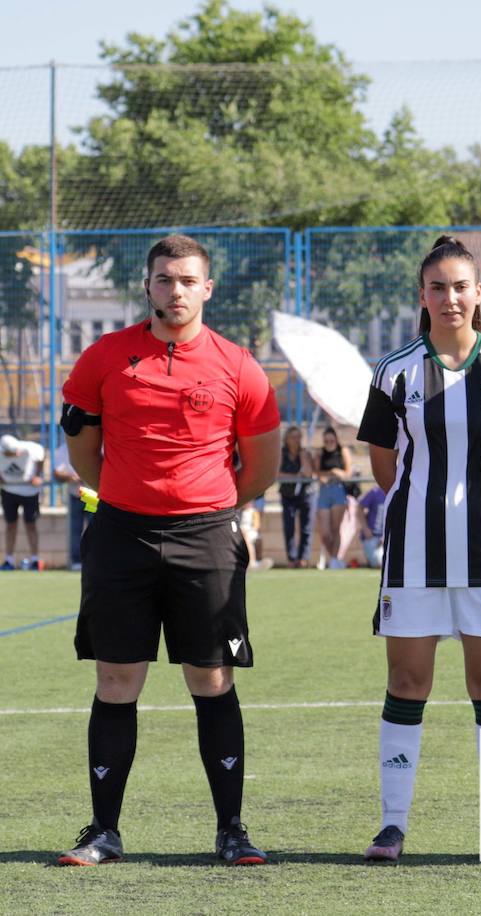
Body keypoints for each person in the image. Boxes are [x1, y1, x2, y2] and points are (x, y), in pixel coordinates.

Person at [56, 234, 281, 866]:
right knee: (116, 677)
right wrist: (121, 494)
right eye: (163, 279)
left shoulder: (239, 365)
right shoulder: (105, 356)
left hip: (206, 536)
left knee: (211, 679)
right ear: (148, 286)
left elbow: (261, 465)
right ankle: (103, 830)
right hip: (120, 536)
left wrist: (209, 507)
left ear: (207, 288)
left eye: (186, 280)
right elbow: (82, 449)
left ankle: (232, 831)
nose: (174, 290)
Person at [355, 236, 481, 863]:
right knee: (408, 681)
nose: (450, 297)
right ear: (423, 295)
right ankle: (392, 825)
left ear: (479, 293)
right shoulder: (394, 372)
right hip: (411, 554)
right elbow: (385, 466)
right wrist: (424, 510)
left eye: (461, 286)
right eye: (438, 287)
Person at [0, 432, 45, 570]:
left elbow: (41, 457)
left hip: (29, 492)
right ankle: (9, 560)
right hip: (8, 491)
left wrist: (38, 475)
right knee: (10, 525)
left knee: (30, 524)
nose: (16, 454)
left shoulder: (32, 449)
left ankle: (35, 560)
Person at [314, 427, 353, 568]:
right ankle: (333, 558)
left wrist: (335, 472)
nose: (329, 443)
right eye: (326, 441)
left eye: (332, 440)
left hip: (338, 490)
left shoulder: (343, 451)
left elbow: (347, 473)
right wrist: (328, 473)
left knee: (335, 529)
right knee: (325, 533)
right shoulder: (320, 453)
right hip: (324, 491)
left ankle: (335, 559)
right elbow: (317, 472)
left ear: (336, 440)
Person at [277, 425, 314, 568]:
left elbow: (309, 474)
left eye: (299, 437)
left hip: (305, 494)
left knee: (306, 527)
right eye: (293, 437)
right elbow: (277, 474)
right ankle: (291, 558)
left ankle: (303, 558)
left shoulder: (305, 453)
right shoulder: (281, 454)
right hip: (287, 494)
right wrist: (294, 476)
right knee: (289, 526)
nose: (296, 440)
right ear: (286, 439)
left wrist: (303, 458)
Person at [52, 438, 89, 570]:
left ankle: (95, 561)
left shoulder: (99, 444)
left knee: (96, 530)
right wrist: (71, 477)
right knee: (75, 530)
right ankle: (76, 561)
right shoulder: (64, 449)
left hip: (95, 495)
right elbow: (57, 472)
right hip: (75, 494)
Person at [358, 485, 387, 569]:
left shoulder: (397, 491)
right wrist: (365, 528)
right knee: (378, 563)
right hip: (371, 537)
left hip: (386, 539)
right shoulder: (375, 492)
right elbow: (359, 508)